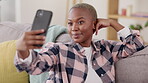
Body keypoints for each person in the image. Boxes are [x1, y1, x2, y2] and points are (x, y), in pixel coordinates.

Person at [14, 3, 144, 83]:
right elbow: (34, 66)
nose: (74, 28)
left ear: (94, 25)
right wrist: (22, 50)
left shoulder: (105, 48)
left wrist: (112, 23)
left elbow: (136, 45)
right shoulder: (58, 50)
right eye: (70, 23)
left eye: (80, 22)